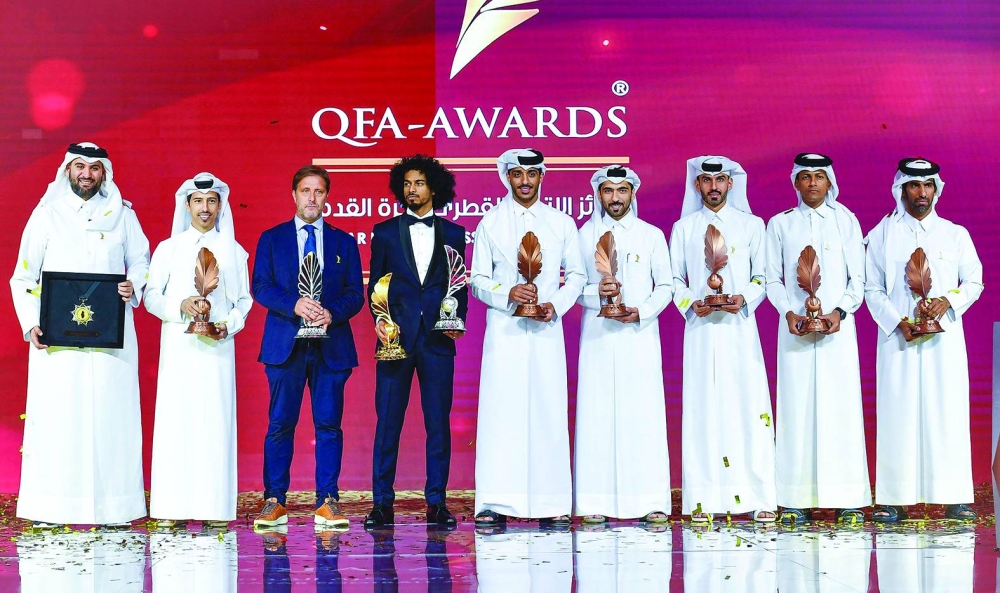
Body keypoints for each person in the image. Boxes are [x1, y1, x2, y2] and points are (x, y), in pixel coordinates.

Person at [9, 142, 149, 528]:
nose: (87, 174)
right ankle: (51, 509)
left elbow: (141, 260)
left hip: (112, 341)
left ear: (105, 172)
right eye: (80, 167)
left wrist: (133, 283)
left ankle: (115, 508)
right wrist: (30, 323)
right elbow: (22, 276)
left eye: (95, 168)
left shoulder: (123, 215)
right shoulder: (46, 215)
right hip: (57, 343)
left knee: (111, 419)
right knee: (59, 419)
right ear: (67, 170)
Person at [470, 148, 587, 527]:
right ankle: (494, 502)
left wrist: (556, 304)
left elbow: (581, 277)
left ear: (542, 177)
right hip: (504, 333)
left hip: (546, 332)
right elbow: (477, 280)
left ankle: (552, 503)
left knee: (548, 410)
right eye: (517, 174)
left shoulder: (561, 223)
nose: (524, 181)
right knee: (500, 413)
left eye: (531, 174)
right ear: (506, 177)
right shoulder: (491, 222)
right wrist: (506, 294)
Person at [865, 158, 983, 522]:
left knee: (945, 412)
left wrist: (949, 301)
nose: (921, 193)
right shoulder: (882, 234)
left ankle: (953, 497)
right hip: (899, 340)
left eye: (927, 185)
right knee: (897, 413)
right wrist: (896, 322)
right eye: (914, 186)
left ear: (936, 189)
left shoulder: (955, 234)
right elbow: (872, 288)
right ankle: (893, 498)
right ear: (902, 189)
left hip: (943, 341)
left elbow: (974, 282)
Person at [252, 165, 365, 529]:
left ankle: (328, 501)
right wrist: (295, 305)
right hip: (286, 344)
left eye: (318, 191)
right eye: (305, 191)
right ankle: (275, 501)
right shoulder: (272, 239)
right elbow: (261, 287)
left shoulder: (344, 242)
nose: (312, 198)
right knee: (280, 424)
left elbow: (355, 294)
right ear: (294, 195)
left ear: (326, 197)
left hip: (330, 347)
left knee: (329, 425)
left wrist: (331, 312)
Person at [668, 155, 776, 524]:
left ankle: (760, 496)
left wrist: (743, 298)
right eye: (706, 181)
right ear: (696, 185)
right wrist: (690, 303)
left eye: (720, 181)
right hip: (699, 332)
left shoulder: (752, 225)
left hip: (740, 331)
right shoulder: (683, 228)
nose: (713, 187)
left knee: (748, 409)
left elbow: (763, 277)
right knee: (702, 411)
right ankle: (702, 500)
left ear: (731, 184)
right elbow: (674, 281)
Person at [764, 153, 871, 523]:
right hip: (794, 331)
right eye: (805, 177)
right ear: (795, 182)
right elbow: (772, 279)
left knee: (840, 409)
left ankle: (848, 499)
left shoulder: (847, 221)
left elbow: (859, 281)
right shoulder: (780, 225)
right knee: (796, 410)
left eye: (819, 177)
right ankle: (795, 499)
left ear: (829, 182)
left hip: (838, 332)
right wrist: (788, 312)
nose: (812, 183)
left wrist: (839, 313)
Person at [363, 155, 468, 528]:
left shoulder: (455, 233)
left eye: (419, 183)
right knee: (387, 422)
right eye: (407, 183)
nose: (412, 189)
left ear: (434, 188)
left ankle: (437, 502)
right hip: (395, 339)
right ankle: (381, 504)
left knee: (437, 424)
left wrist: (459, 322)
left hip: (438, 341)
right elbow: (376, 286)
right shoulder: (386, 232)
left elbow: (459, 287)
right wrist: (380, 321)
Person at [145, 173, 253, 528]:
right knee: (176, 425)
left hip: (217, 352)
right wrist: (181, 306)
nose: (205, 208)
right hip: (178, 351)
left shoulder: (234, 251)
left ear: (220, 205)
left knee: (214, 425)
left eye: (211, 201)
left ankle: (214, 510)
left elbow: (243, 302)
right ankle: (171, 510)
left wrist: (227, 325)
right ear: (187, 204)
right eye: (198, 201)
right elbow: (150, 297)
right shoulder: (168, 248)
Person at [573, 165, 673, 523]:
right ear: (598, 194)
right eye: (608, 191)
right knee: (596, 416)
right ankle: (593, 503)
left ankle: (650, 501)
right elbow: (572, 286)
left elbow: (666, 285)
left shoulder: (651, 235)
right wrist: (593, 294)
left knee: (642, 416)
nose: (615, 198)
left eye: (622, 190)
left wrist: (642, 311)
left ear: (633, 193)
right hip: (598, 337)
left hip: (639, 337)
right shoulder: (583, 236)